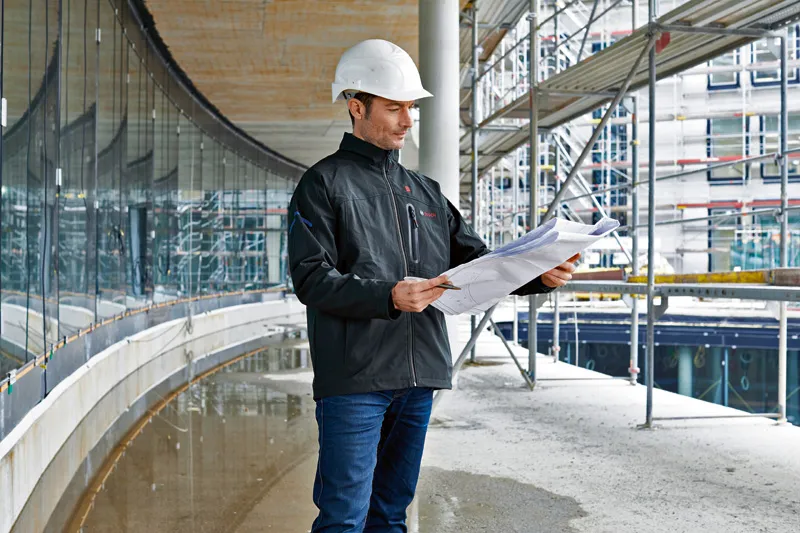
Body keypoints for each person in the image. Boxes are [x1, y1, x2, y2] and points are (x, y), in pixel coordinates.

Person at [287, 39, 578, 533]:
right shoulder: (323, 184)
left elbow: (479, 264)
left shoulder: (425, 192)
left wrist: (537, 275)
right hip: (356, 380)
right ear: (357, 107)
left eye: (411, 108)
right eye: (394, 107)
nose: (407, 119)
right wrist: (387, 296)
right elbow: (312, 279)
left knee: (391, 515)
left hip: (420, 376)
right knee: (343, 518)